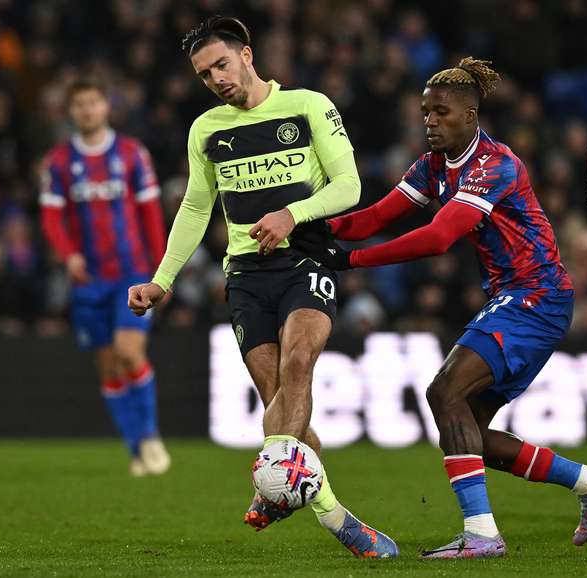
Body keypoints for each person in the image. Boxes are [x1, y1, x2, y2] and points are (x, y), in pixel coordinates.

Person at [297, 57, 587, 559]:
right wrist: (317, 225)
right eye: (426, 112)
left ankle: (482, 535)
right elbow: (379, 215)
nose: (430, 121)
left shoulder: (495, 164)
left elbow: (436, 238)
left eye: (441, 112)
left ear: (471, 115)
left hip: (535, 296)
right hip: (513, 298)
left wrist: (349, 261)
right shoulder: (433, 166)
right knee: (469, 431)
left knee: (443, 391)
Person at [126, 16, 397, 558]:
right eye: (204, 75)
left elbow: (349, 186)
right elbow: (197, 206)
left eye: (221, 64)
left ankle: (269, 485)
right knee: (280, 403)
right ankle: (337, 518)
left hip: (306, 258)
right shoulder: (206, 129)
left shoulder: (309, 105)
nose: (216, 79)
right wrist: (161, 281)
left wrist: (291, 215)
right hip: (246, 275)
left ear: (247, 54)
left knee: (300, 362)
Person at [40, 79, 171, 477]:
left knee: (130, 353)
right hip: (88, 281)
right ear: (71, 112)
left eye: (93, 102)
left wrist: (163, 268)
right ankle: (136, 451)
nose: (86, 110)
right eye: (79, 105)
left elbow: (151, 213)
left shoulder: (132, 154)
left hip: (130, 273)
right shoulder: (59, 162)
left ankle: (149, 437)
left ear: (105, 107)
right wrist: (69, 255)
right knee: (110, 366)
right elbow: (51, 218)